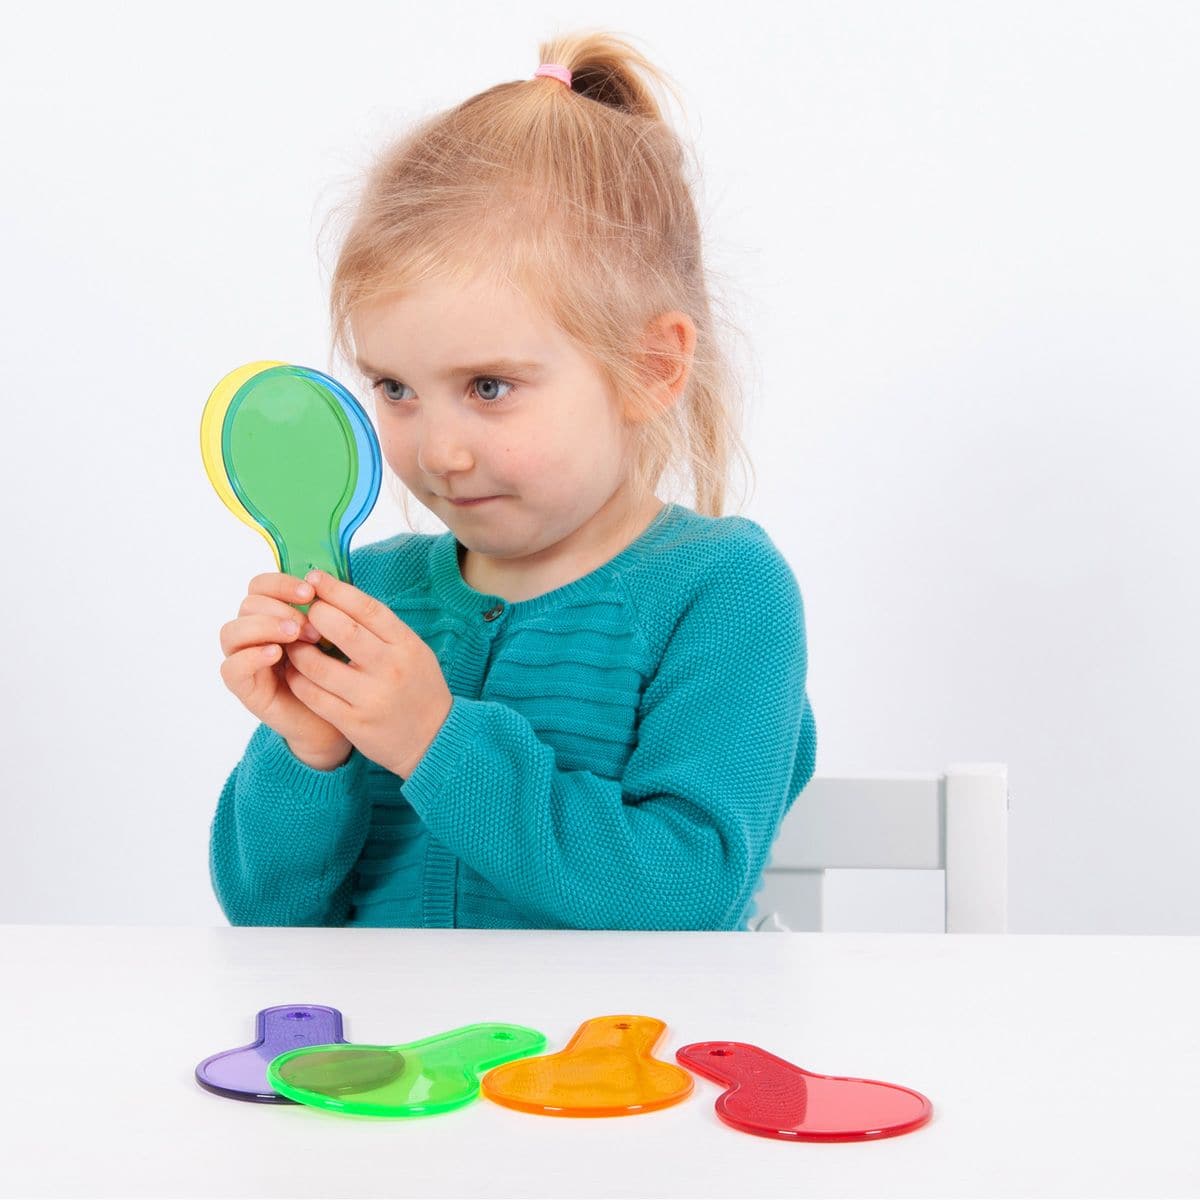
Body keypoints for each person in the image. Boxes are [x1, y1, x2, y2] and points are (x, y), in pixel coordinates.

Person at [210, 31, 817, 930]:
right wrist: (310, 752)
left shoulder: (721, 592)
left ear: (651, 367)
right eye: (396, 389)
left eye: (489, 387)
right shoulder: (366, 591)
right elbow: (266, 918)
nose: (441, 453)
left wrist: (435, 740)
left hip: (622, 1063)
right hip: (399, 1062)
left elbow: (687, 892)